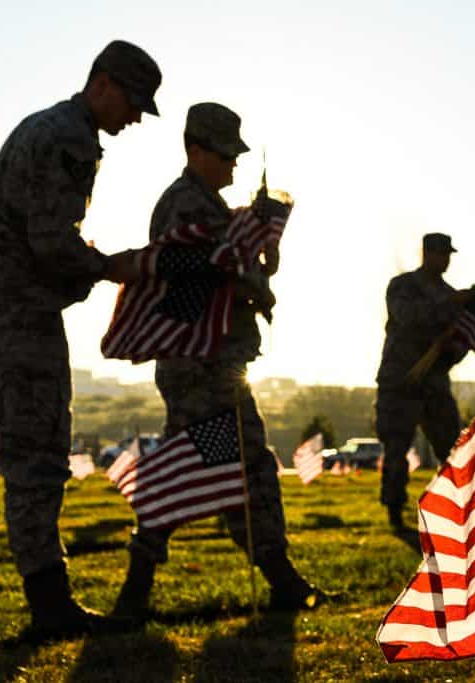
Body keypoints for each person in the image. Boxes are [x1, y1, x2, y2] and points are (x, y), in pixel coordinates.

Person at [0, 40, 162, 636]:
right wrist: (117, 266)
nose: (135, 117)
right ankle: (49, 603)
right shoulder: (71, 139)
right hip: (18, 321)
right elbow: (50, 242)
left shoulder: (43, 125)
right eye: (134, 101)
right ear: (103, 84)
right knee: (36, 457)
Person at [112, 102, 322, 617]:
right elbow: (193, 271)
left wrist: (258, 260)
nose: (234, 164)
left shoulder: (211, 206)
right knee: (226, 465)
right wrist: (248, 273)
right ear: (195, 150)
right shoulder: (185, 204)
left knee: (229, 468)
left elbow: (227, 265)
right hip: (197, 365)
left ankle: (275, 579)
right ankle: (277, 580)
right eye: (225, 154)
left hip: (215, 362)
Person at [375, 233, 471, 529]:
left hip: (434, 383)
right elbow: (407, 318)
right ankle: (395, 511)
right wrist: (448, 304)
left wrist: (454, 347)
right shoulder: (403, 286)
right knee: (396, 447)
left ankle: (456, 509)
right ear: (427, 254)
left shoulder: (451, 295)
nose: (445, 261)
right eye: (441, 254)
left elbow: (459, 345)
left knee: (453, 448)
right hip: (401, 381)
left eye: (448, 255)